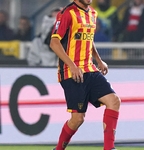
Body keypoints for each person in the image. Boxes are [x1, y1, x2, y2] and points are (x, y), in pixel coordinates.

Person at [50, 0, 120, 150]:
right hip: (71, 72)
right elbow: (54, 43)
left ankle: (109, 148)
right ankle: (58, 149)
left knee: (114, 101)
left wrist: (99, 60)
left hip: (90, 69)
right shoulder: (67, 13)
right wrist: (72, 65)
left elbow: (88, 38)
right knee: (77, 119)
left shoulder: (93, 13)